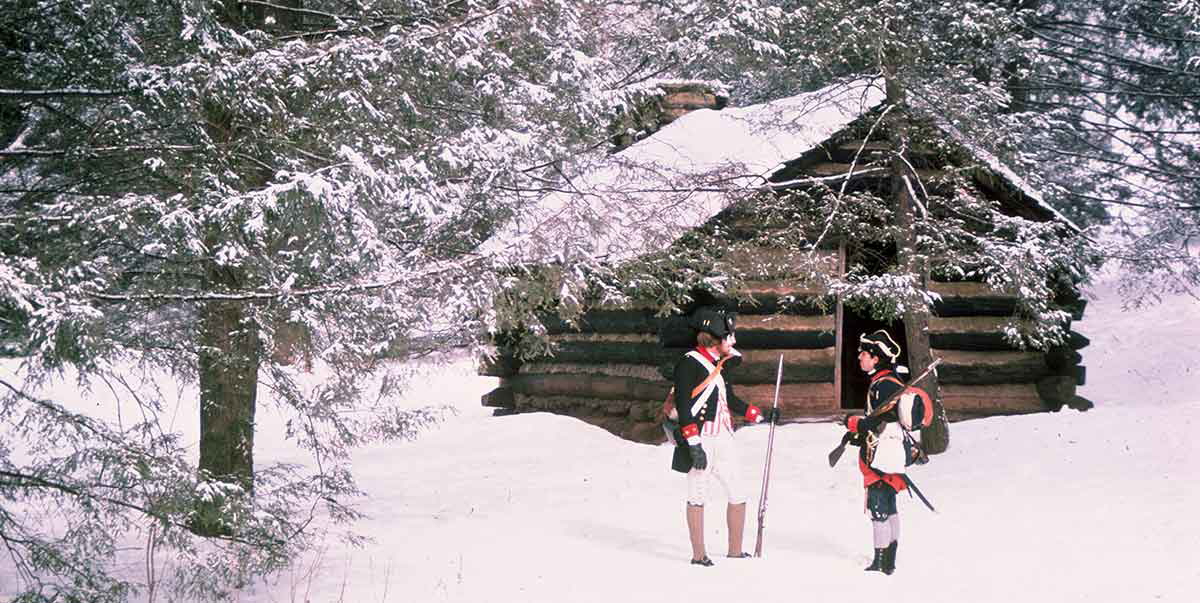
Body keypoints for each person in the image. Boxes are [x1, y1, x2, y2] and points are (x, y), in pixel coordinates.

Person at [672, 307, 778, 566]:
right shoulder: (689, 362)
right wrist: (694, 444)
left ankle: (735, 550)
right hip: (701, 438)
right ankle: (699, 555)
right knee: (698, 494)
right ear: (714, 339)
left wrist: (757, 414)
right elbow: (684, 406)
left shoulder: (717, 365)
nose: (732, 341)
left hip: (724, 437)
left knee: (737, 492)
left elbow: (727, 399)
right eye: (728, 336)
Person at [842, 329, 915, 575]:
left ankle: (881, 563)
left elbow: (881, 420)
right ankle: (888, 561)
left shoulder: (884, 384)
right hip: (889, 450)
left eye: (864, 354)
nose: (860, 358)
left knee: (879, 507)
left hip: (884, 452)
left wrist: (856, 424)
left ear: (875, 358)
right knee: (889, 505)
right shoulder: (885, 381)